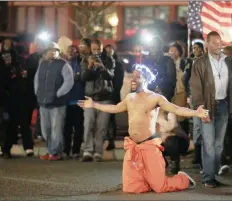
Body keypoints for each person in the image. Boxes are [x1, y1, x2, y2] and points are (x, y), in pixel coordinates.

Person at [78, 64, 209, 193]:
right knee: (131, 188)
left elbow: (176, 109)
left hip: (149, 147)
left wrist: (195, 113)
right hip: (133, 147)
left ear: (145, 79)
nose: (133, 80)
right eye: (132, 77)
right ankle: (149, 180)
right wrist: (94, 104)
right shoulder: (129, 98)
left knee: (160, 187)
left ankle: (183, 179)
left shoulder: (155, 98)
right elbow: (114, 108)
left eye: (137, 77)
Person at [190, 31, 232, 188]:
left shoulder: (227, 61)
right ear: (207, 44)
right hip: (208, 106)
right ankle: (208, 177)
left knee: (218, 144)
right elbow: (195, 87)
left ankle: (213, 172)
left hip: (223, 104)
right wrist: (200, 107)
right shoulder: (200, 63)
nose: (218, 44)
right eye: (215, 42)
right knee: (208, 143)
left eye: (220, 42)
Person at [34, 42, 74, 161]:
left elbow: (69, 81)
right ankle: (51, 150)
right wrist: (38, 92)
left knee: (56, 129)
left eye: (54, 50)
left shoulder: (63, 64)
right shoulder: (42, 64)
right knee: (45, 129)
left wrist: (58, 94)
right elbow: (36, 80)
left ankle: (56, 152)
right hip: (43, 102)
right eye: (49, 50)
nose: (52, 52)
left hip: (57, 103)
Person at [81, 39, 115, 162]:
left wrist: (102, 68)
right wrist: (90, 67)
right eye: (94, 49)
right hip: (90, 97)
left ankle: (98, 152)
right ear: (90, 49)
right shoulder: (85, 59)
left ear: (102, 48)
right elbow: (83, 78)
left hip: (105, 98)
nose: (96, 52)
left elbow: (111, 76)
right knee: (88, 123)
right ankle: (88, 150)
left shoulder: (109, 59)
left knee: (101, 126)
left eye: (98, 49)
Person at [183, 41, 204, 167]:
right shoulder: (190, 62)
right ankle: (197, 153)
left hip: (203, 97)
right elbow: (185, 78)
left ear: (202, 49)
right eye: (193, 48)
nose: (194, 50)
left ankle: (202, 154)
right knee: (196, 125)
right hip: (193, 96)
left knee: (203, 125)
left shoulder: (205, 61)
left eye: (197, 48)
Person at [63, 45, 84, 159]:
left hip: (79, 100)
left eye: (73, 51)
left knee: (78, 128)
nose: (71, 52)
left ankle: (76, 150)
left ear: (77, 53)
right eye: (69, 50)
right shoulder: (63, 64)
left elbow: (84, 78)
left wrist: (79, 77)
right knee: (66, 128)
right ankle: (66, 150)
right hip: (66, 101)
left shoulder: (81, 64)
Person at [157, 107, 190, 175]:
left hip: (178, 142)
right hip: (161, 142)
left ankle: (174, 163)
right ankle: (162, 162)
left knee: (171, 140)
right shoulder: (150, 116)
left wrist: (159, 117)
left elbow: (171, 127)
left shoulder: (170, 114)